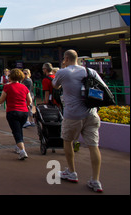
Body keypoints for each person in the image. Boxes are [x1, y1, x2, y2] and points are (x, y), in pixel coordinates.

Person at [52, 49, 104, 192]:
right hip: (91, 113)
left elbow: (55, 85)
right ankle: (95, 180)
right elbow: (101, 88)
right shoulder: (90, 72)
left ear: (66, 58)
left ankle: (72, 171)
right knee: (94, 146)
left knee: (67, 140)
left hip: (72, 114)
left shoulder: (63, 72)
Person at [0, 68, 32, 160]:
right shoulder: (24, 87)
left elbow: (2, 98)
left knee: (16, 131)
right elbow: (30, 100)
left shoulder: (7, 87)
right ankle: (18, 145)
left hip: (12, 111)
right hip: (24, 112)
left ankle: (22, 150)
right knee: (19, 129)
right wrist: (28, 105)